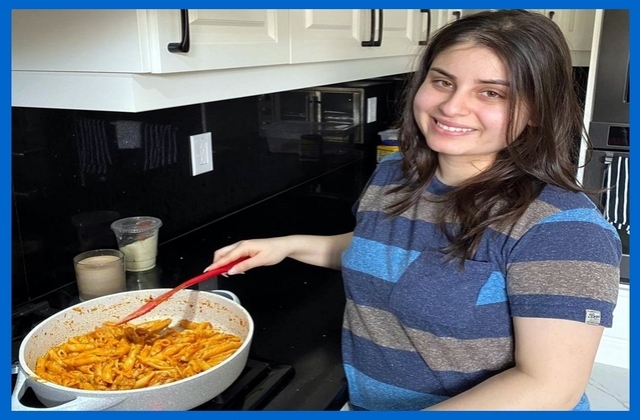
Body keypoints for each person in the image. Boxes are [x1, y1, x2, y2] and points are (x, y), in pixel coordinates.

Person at [205, 9, 621, 411]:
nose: (452, 107)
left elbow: (549, 388)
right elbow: (382, 249)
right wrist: (288, 245)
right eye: (443, 82)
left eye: (492, 92)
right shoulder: (394, 173)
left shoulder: (561, 227)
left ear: (536, 111)